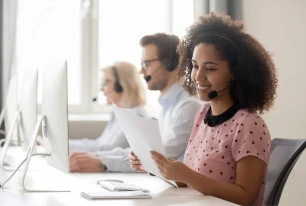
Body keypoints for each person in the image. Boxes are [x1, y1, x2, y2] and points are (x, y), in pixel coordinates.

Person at [130, 13, 278, 206]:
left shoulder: (249, 124)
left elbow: (246, 196)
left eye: (210, 68)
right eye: (194, 66)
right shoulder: (202, 114)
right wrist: (154, 166)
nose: (198, 77)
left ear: (235, 73)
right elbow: (193, 182)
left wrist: (188, 175)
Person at [128, 33, 201, 166]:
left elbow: (158, 155)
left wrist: (104, 162)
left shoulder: (188, 106)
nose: (141, 72)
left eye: (146, 64)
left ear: (169, 63)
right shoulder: (167, 106)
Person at [69, 61, 147, 173]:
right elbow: (99, 144)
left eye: (107, 82)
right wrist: (64, 144)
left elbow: (105, 148)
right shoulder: (118, 113)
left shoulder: (135, 117)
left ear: (121, 85)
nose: (102, 89)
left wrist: (65, 147)